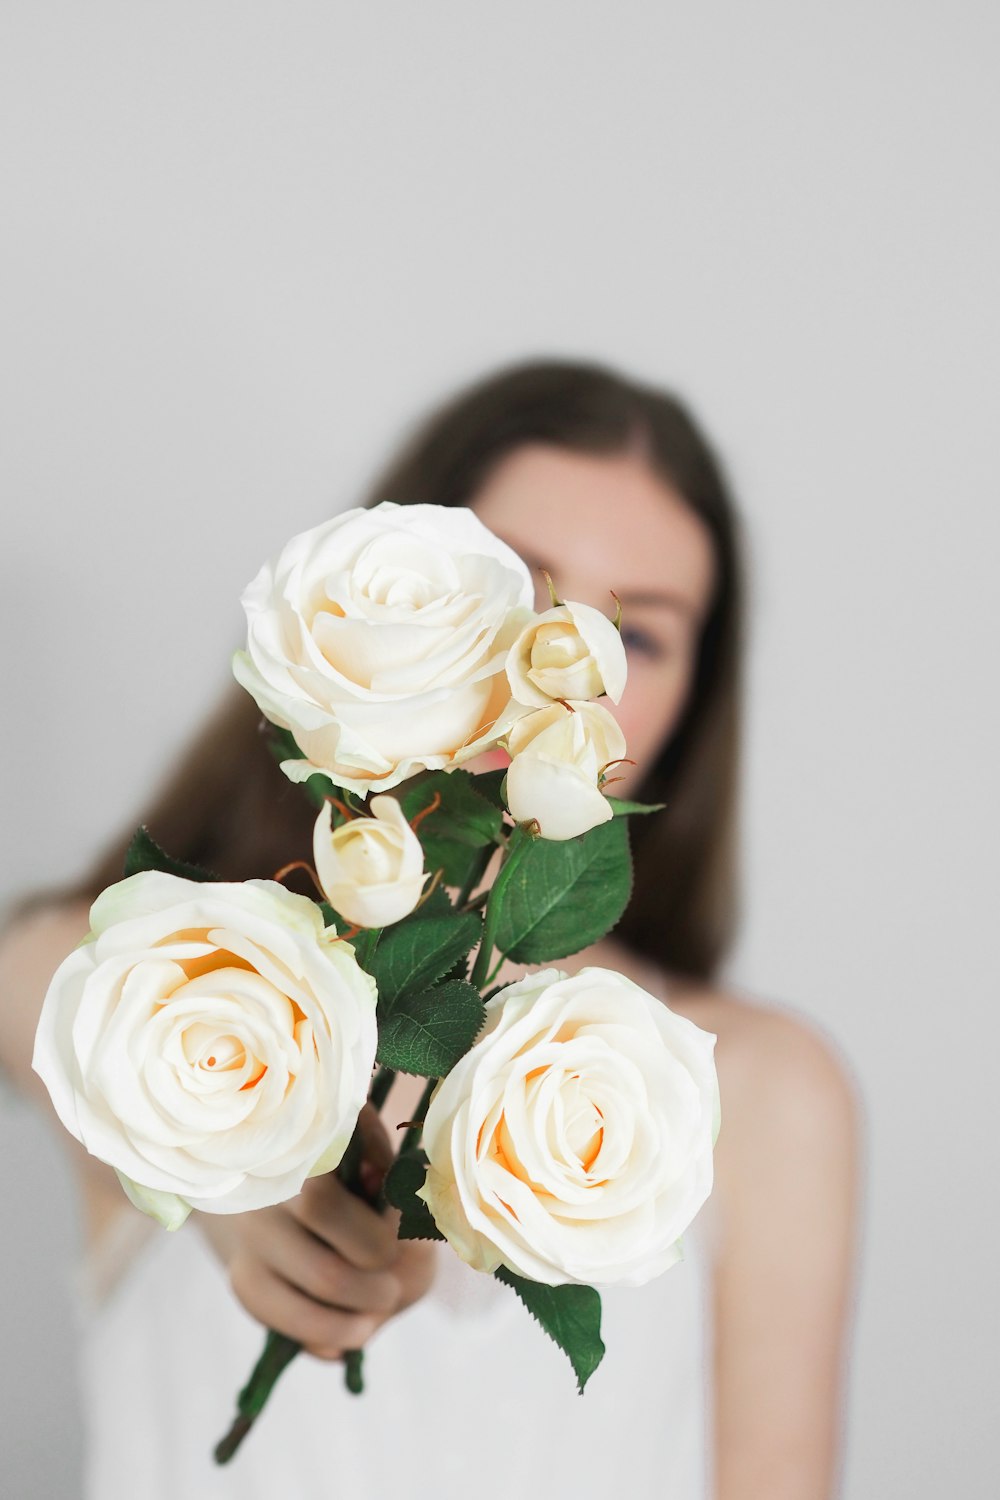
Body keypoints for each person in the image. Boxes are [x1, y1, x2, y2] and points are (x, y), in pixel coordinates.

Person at [0, 359, 862, 1498]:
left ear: (690, 702)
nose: (566, 668)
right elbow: (33, 982)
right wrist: (230, 1168)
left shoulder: (765, 1092)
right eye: (522, 585)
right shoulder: (163, 986)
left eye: (635, 636)